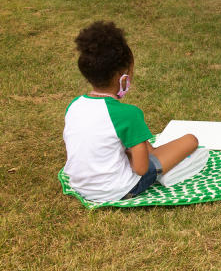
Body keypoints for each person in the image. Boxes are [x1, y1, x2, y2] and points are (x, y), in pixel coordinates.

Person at [62, 21, 199, 202]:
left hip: (81, 187)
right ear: (123, 76)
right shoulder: (128, 113)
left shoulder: (74, 105)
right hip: (118, 190)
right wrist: (134, 154)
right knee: (190, 140)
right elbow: (141, 169)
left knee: (145, 147)